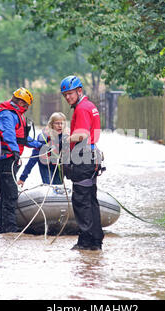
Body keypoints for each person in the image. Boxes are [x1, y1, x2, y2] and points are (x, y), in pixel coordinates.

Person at [60, 75, 104, 251]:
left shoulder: (82, 109)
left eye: (70, 93)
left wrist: (64, 139)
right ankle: (95, 240)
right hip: (91, 156)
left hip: (84, 157)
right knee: (91, 200)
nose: (68, 97)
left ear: (79, 91)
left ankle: (86, 242)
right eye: (65, 95)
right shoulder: (90, 106)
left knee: (81, 200)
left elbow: (83, 134)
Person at [0, 88, 42, 233]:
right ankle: (9, 230)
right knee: (10, 195)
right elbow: (9, 136)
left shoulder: (16, 115)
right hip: (6, 159)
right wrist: (15, 152)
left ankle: (5, 229)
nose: (26, 109)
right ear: (20, 102)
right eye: (26, 106)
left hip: (11, 159)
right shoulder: (6, 115)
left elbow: (23, 139)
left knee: (7, 194)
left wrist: (41, 145)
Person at [18, 112, 68, 186]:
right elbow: (33, 158)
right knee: (49, 187)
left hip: (59, 166)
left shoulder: (67, 137)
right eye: (57, 123)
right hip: (45, 166)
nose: (60, 126)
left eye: (62, 123)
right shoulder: (43, 137)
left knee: (59, 188)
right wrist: (23, 177)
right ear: (51, 124)